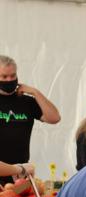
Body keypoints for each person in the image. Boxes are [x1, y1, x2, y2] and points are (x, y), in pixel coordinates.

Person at [0, 55, 60, 184]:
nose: (9, 80)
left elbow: (54, 118)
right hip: (4, 168)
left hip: (21, 171)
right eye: (4, 77)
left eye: (13, 75)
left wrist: (35, 92)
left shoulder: (27, 101)